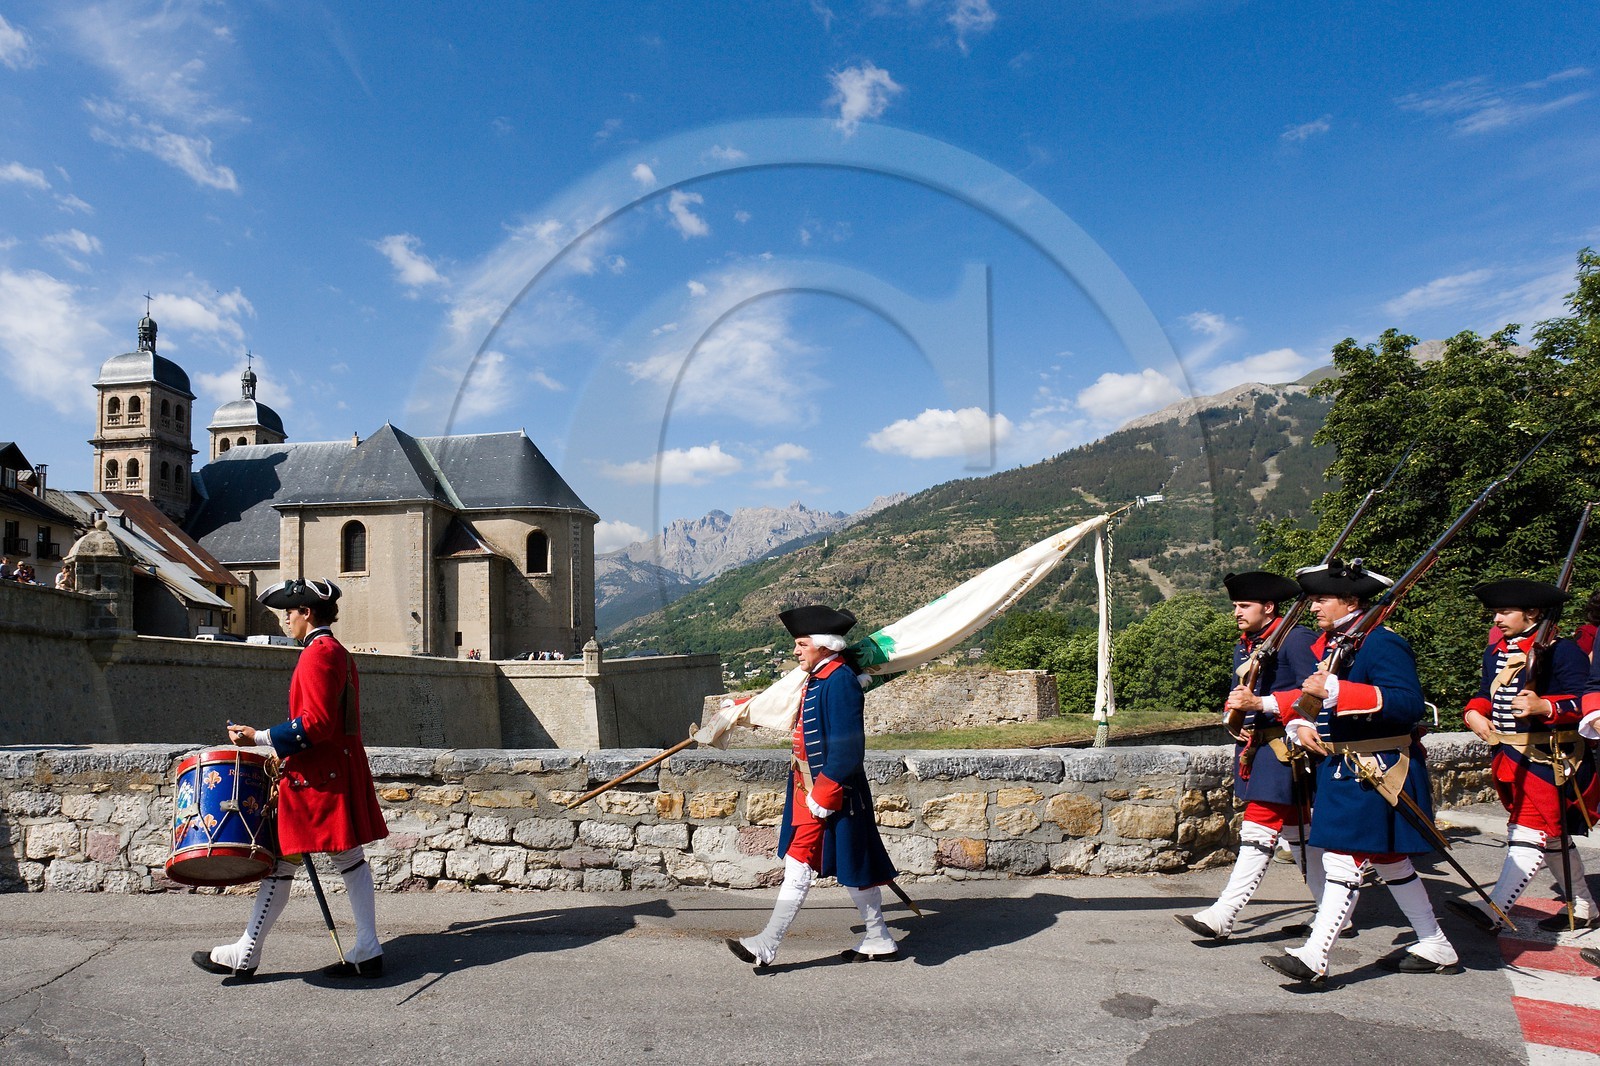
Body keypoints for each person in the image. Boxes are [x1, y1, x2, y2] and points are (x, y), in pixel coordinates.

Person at [1261, 559, 1459, 984]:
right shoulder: (1340, 643)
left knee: (1341, 858)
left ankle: (1316, 955)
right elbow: (1313, 703)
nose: (1313, 607)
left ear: (1350, 600)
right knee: (1388, 859)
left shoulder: (1382, 643)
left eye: (1321, 599)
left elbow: (1407, 704)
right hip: (1345, 766)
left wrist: (1336, 689)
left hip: (1378, 766)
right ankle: (1435, 942)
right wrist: (1299, 723)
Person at [193, 578, 389, 980]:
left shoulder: (317, 655)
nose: (286, 618)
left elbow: (316, 724)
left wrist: (260, 737)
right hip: (333, 769)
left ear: (307, 613)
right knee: (347, 859)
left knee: (282, 862)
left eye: (290, 612)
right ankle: (366, 949)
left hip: (316, 777)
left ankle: (245, 954)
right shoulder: (336, 651)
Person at [727, 604, 899, 966]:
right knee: (851, 865)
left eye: (801, 644)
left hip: (830, 793)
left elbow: (848, 746)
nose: (795, 651)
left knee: (802, 864)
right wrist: (746, 706)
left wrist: (826, 792)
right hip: (810, 789)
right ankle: (878, 937)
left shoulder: (839, 682)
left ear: (823, 645)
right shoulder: (821, 676)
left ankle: (766, 945)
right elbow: (792, 710)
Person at [1177, 571, 1323, 939]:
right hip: (1256, 749)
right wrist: (1233, 721)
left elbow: (1316, 697)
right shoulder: (1247, 645)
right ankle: (1333, 911)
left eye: (1244, 606)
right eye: (1236, 606)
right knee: (1298, 834)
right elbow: (1236, 695)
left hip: (1286, 750)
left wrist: (1262, 704)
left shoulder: (1295, 639)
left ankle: (1224, 913)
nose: (1237, 612)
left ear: (1269, 607)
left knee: (1259, 826)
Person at [1448, 579, 1598, 933]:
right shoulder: (1496, 651)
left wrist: (1546, 705)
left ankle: (1496, 911)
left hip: (1550, 759)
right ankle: (1584, 905)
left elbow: (1585, 699)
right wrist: (1474, 712)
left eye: (1505, 611)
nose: (1497, 619)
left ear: (1532, 613)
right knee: (1554, 835)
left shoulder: (1562, 651)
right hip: (1512, 756)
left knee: (1527, 831)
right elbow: (1488, 692)